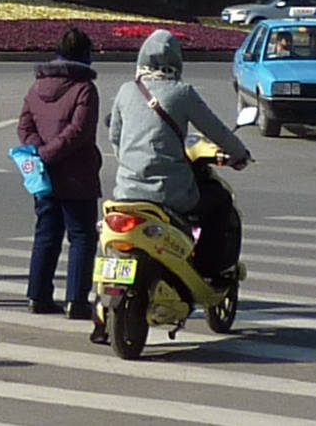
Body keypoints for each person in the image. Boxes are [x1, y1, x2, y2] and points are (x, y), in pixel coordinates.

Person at [105, 29, 251, 289]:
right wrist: (240, 154)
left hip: (126, 192)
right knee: (219, 200)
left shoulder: (126, 91)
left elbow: (115, 138)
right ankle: (209, 270)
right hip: (168, 194)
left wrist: (132, 163)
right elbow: (215, 130)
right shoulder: (181, 93)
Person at [15, 26, 101, 320]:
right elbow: (79, 132)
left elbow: (24, 127)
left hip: (44, 175)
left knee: (46, 234)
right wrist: (51, 152)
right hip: (78, 174)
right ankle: (76, 301)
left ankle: (37, 296)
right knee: (81, 237)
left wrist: (40, 153)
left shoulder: (36, 86)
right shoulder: (85, 88)